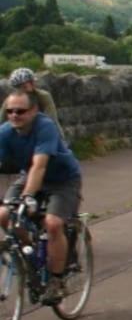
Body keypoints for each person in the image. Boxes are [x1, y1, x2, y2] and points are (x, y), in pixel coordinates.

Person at [0, 89, 82, 304]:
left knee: (53, 223)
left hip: (62, 180)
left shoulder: (45, 127)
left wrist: (27, 197)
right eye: (9, 111)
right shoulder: (5, 132)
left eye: (20, 111)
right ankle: (31, 253)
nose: (14, 115)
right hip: (28, 177)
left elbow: (39, 165)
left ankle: (56, 281)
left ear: (34, 110)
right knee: (4, 215)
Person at [4, 68, 64, 139]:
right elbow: (2, 119)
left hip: (44, 131)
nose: (22, 90)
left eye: (25, 87)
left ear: (32, 84)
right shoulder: (11, 100)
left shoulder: (43, 96)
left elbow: (51, 119)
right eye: (19, 88)